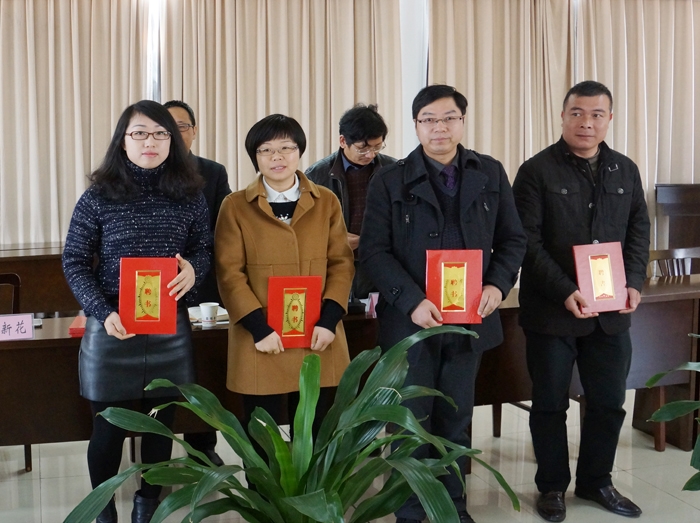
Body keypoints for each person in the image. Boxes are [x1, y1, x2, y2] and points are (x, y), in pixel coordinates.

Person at [359, 85, 527, 523]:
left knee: (456, 418)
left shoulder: (489, 172)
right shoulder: (389, 179)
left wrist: (498, 284)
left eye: (449, 118)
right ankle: (411, 511)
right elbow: (373, 251)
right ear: (416, 126)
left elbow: (513, 239)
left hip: (470, 319)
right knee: (410, 422)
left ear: (463, 122)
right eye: (429, 120)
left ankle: (452, 508)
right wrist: (411, 300)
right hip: (411, 323)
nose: (440, 127)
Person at [62, 100, 211, 523]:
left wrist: (193, 270)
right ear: (123, 141)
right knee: (108, 428)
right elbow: (74, 260)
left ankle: (147, 505)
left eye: (161, 133)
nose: (151, 141)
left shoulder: (190, 194)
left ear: (173, 141)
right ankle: (103, 508)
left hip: (168, 327)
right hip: (112, 327)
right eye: (140, 133)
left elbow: (203, 248)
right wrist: (101, 310)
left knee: (161, 426)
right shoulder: (98, 196)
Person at [512, 80, 649, 522]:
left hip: (610, 314)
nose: (586, 123)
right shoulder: (535, 171)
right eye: (577, 113)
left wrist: (634, 281)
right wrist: (566, 290)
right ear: (563, 115)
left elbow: (638, 231)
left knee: (608, 401)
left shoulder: (625, 170)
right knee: (550, 404)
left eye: (596, 114)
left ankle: (596, 481)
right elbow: (526, 242)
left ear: (609, 119)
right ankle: (551, 486)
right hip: (553, 311)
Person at [214, 114, 354, 457]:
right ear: (255, 156)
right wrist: (258, 328)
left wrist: (329, 319)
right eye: (266, 150)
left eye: (286, 148)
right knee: (263, 442)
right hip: (261, 339)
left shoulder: (326, 202)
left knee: (318, 438)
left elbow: (341, 263)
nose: (277, 157)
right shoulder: (235, 206)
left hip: (319, 335)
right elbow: (229, 273)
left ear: (299, 151)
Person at [164, 99, 231, 467]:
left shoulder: (212, 172)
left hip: (202, 284)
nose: (175, 133)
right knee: (163, 370)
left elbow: (223, 228)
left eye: (182, 126)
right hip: (156, 286)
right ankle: (155, 442)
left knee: (204, 367)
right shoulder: (144, 171)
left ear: (194, 130)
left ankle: (203, 444)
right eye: (166, 127)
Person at [306, 103, 396, 298]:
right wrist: (334, 239)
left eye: (377, 147)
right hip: (334, 267)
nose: (370, 155)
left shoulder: (394, 172)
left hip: (382, 265)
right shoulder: (316, 176)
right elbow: (304, 229)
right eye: (362, 148)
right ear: (342, 141)